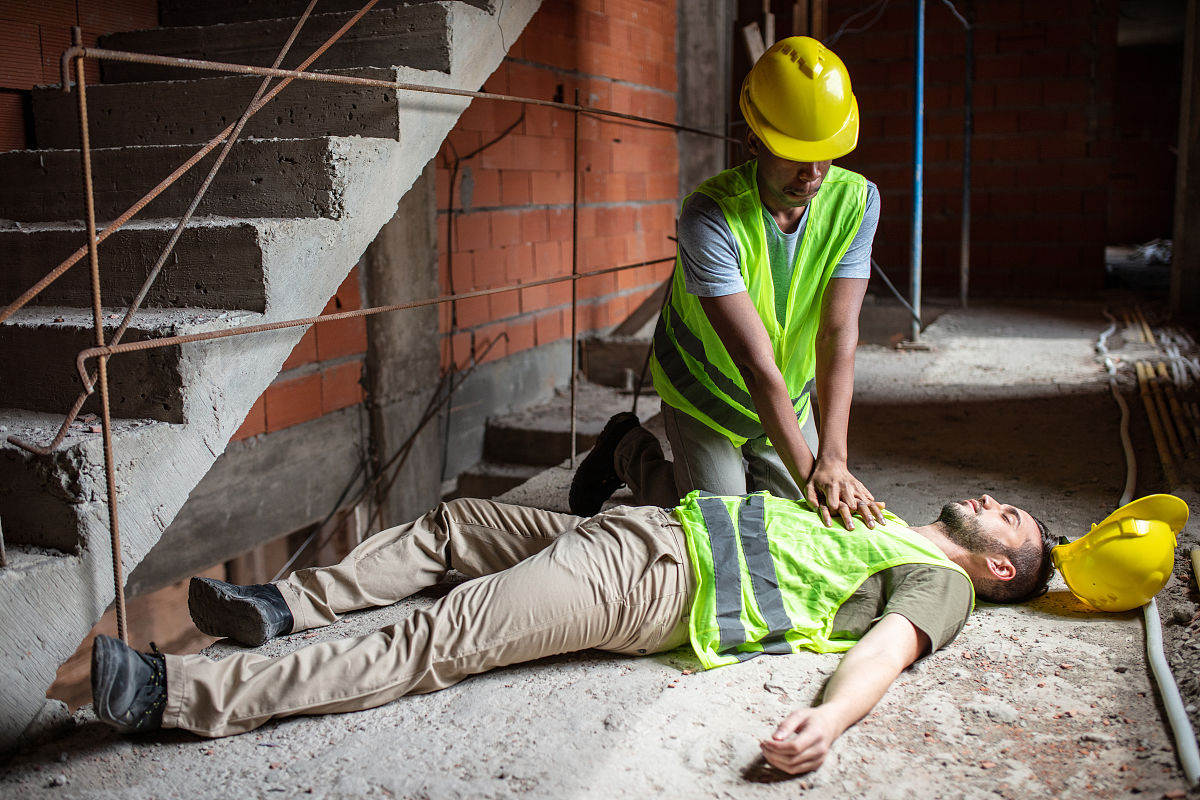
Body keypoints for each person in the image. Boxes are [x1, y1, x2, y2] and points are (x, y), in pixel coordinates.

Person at [92, 491, 1055, 776]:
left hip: (654, 583)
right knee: (455, 525)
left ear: (998, 569)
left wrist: (832, 723)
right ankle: (285, 607)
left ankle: (173, 698)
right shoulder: (880, 513)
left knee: (436, 634)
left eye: (1011, 519)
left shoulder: (940, 584)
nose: (996, 502)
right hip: (643, 525)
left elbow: (887, 649)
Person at [570, 36, 883, 530]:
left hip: (787, 397)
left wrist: (835, 459)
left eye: (825, 154)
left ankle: (769, 469)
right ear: (754, 140)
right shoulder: (709, 216)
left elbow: (838, 334)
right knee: (722, 523)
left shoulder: (858, 203)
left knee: (796, 522)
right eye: (794, 154)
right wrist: (813, 479)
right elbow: (756, 366)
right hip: (707, 393)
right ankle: (627, 452)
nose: (813, 173)